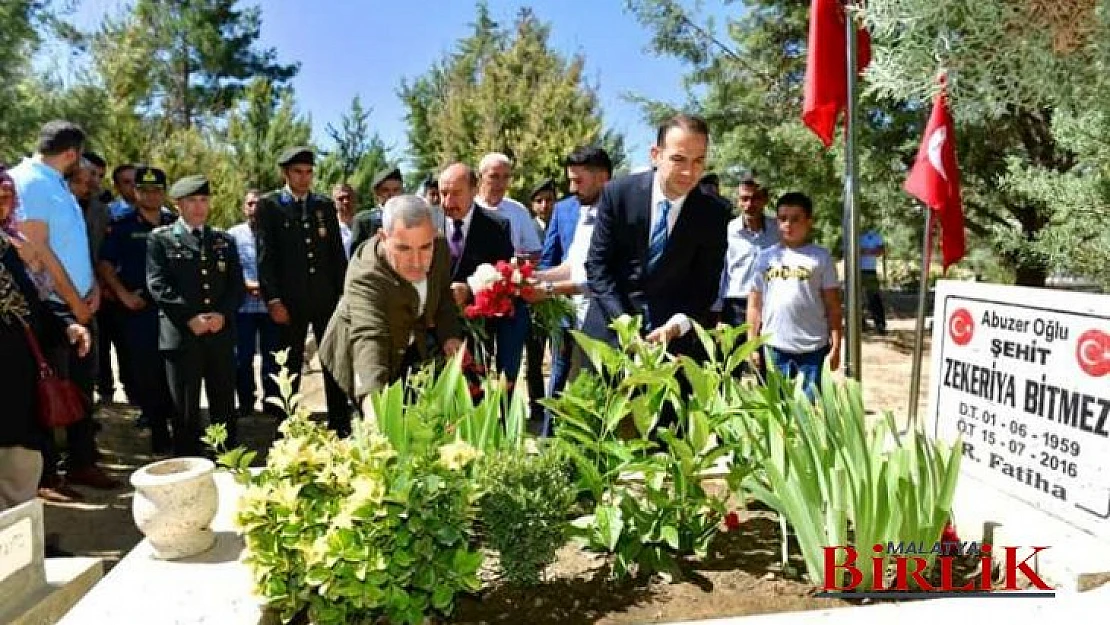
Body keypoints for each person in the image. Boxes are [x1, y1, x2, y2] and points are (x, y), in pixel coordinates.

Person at [9, 120, 118, 491]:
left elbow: (72, 244)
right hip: (54, 306)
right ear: (71, 154)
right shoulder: (32, 181)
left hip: (80, 301)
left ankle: (81, 461)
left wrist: (93, 289)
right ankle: (47, 475)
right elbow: (39, 249)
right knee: (49, 390)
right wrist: (74, 301)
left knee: (80, 390)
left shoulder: (55, 182)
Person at [583, 114, 731, 361]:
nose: (688, 172)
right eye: (678, 159)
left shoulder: (714, 213)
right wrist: (624, 324)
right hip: (610, 335)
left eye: (698, 161)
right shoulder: (618, 195)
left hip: (673, 346)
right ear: (656, 155)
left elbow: (705, 284)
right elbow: (598, 267)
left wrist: (678, 325)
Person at [319, 195, 464, 420]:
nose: (417, 261)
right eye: (403, 249)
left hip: (411, 343)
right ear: (383, 238)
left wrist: (450, 336)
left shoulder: (441, 248)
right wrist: (373, 406)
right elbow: (369, 337)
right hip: (360, 352)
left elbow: (442, 294)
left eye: (425, 247)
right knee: (368, 423)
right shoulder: (365, 274)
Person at [1, 166, 91, 510]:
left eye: (8, 197)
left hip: (19, 379)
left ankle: (23, 550)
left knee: (21, 465)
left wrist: (67, 326)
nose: (3, 204)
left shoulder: (8, 249)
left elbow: (31, 303)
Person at [255, 146, 350, 433]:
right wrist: (273, 299)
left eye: (309, 172)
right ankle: (287, 423)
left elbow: (336, 255)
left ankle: (340, 421)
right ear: (285, 173)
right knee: (289, 365)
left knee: (332, 359)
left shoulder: (322, 206)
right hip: (289, 301)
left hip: (325, 298)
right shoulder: (270, 206)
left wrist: (343, 295)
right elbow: (265, 257)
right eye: (298, 172)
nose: (304, 178)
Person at [147, 175, 244, 455]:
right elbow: (158, 284)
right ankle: (189, 464)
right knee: (185, 409)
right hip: (182, 336)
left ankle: (227, 460)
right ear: (178, 205)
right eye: (192, 201)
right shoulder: (161, 240)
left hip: (219, 333)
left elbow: (236, 286)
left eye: (204, 200)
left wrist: (222, 315)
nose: (199, 207)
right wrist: (189, 317)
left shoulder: (224, 241)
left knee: (224, 402)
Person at [98, 166, 178, 451]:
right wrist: (123, 295)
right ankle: (158, 433)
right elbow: (106, 265)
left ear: (164, 192)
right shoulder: (122, 225)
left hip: (172, 309)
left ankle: (182, 431)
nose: (151, 195)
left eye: (157, 190)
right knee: (146, 373)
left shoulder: (175, 223)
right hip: (139, 310)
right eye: (145, 190)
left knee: (175, 370)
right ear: (136, 192)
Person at [533, 146, 612, 431]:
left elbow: (602, 280)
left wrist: (551, 290)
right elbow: (570, 266)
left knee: (595, 390)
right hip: (571, 312)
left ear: (602, 178)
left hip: (603, 320)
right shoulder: (581, 213)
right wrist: (530, 278)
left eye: (578, 181)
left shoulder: (619, 216)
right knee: (562, 376)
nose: (571, 188)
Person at [748, 192, 842, 398]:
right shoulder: (765, 258)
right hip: (775, 348)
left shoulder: (820, 257)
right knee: (777, 412)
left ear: (809, 221)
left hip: (813, 350)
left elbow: (833, 305)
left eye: (795, 219)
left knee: (807, 414)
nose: (788, 224)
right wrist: (752, 344)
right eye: (782, 219)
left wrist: (836, 344)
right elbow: (755, 305)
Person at [439, 163, 524, 379]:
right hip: (434, 333)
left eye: (456, 194)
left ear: (474, 190)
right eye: (443, 193)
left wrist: (469, 290)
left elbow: (501, 278)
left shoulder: (497, 226)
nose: (448, 202)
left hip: (477, 332)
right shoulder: (427, 222)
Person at [227, 189, 280, 418]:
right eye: (250, 204)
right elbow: (228, 269)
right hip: (242, 307)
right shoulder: (232, 236)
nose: (254, 208)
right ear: (243, 207)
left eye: (258, 204)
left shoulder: (275, 233)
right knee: (242, 358)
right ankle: (246, 402)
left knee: (273, 357)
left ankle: (272, 401)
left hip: (270, 307)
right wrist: (246, 285)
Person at [716, 174, 780, 329]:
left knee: (768, 353)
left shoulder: (778, 230)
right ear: (738, 201)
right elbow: (721, 271)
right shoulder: (727, 231)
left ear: (765, 200)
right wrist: (717, 311)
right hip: (736, 306)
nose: (749, 204)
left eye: (755, 198)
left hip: (771, 304)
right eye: (744, 199)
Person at [475, 153, 544, 260]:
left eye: (506, 177)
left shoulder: (518, 211)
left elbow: (535, 252)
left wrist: (515, 261)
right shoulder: (469, 208)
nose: (501, 183)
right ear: (480, 178)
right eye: (494, 176)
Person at [349, 166, 403, 254]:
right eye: (385, 190)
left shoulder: (410, 218)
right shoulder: (364, 221)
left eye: (396, 190)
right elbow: (356, 259)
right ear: (377, 193)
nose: (391, 194)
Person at [860, 227, 887, 334]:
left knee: (874, 297)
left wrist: (865, 251)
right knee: (857, 299)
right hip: (855, 271)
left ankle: (880, 324)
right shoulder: (855, 235)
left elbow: (880, 251)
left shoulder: (876, 236)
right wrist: (870, 251)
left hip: (870, 271)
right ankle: (861, 324)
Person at [331, 183, 357, 257]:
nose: (345, 201)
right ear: (334, 203)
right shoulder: (331, 228)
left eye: (348, 197)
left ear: (354, 199)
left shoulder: (365, 225)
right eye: (341, 199)